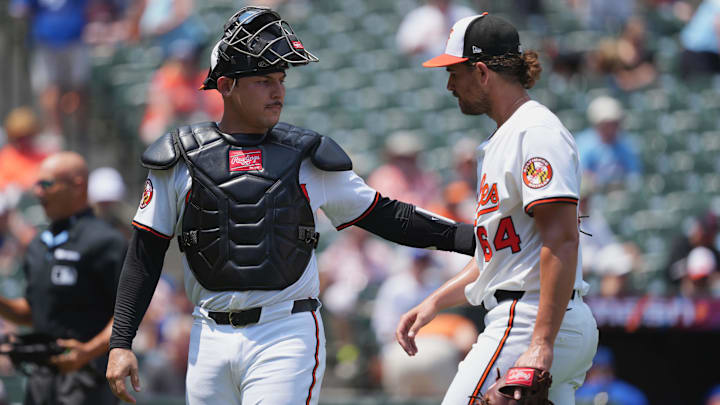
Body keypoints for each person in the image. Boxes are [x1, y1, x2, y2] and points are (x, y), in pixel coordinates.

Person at [105, 7, 477, 405]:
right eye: (264, 80)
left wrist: (473, 238)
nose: (278, 90)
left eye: (281, 79)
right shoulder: (179, 158)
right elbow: (144, 254)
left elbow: (388, 216)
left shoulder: (305, 157)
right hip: (207, 334)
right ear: (226, 85)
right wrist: (120, 341)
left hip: (284, 331)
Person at [395, 13, 599, 403]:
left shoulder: (535, 132)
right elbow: (498, 256)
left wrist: (540, 342)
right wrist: (435, 301)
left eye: (455, 72)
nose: (450, 84)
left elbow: (561, 239)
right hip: (541, 312)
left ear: (483, 73)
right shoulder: (504, 138)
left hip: (530, 317)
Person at [0, 152, 126, 405]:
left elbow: (128, 316)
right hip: (40, 380)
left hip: (87, 380)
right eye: (36, 184)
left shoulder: (106, 242)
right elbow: (33, 313)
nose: (37, 193)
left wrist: (87, 352)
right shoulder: (38, 245)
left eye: (46, 184)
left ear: (78, 186)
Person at [575, 95, 642, 190]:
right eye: (607, 124)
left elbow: (634, 174)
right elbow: (581, 177)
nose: (611, 128)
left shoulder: (626, 144)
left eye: (614, 123)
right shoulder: (585, 144)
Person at [575, 346, 649, 405]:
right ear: (589, 372)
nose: (600, 376)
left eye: (604, 371)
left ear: (611, 371)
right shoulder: (579, 392)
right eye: (596, 370)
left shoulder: (628, 393)